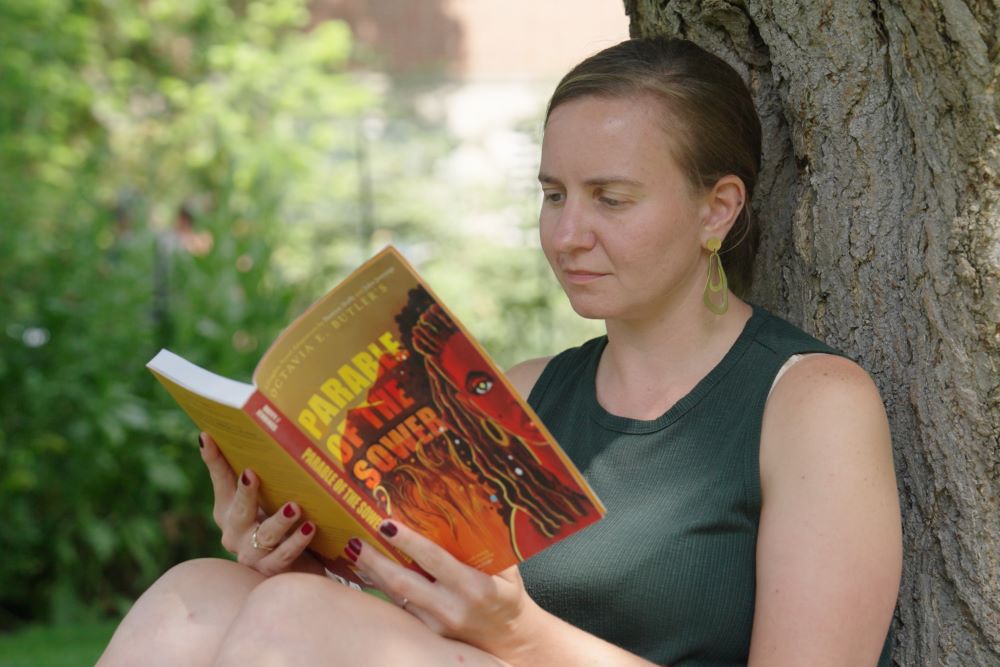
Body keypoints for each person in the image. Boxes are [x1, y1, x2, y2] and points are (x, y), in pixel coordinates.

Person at [99, 37, 901, 666]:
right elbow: (419, 624)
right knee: (200, 590)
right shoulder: (519, 394)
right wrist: (291, 553)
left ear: (717, 209)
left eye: (610, 198)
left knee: (291, 618)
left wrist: (522, 636)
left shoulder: (812, 401)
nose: (566, 234)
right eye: (553, 194)